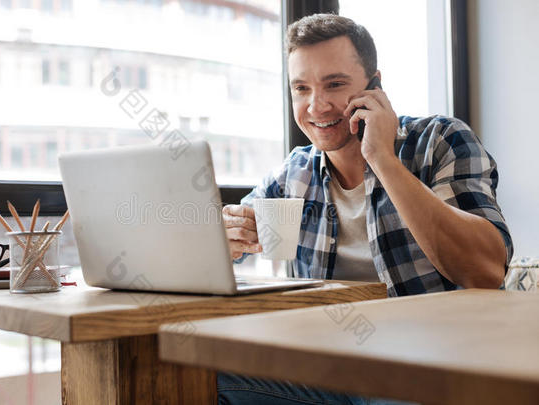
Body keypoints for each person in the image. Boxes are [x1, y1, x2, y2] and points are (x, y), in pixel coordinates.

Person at [218, 13, 513, 405]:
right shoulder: (294, 174)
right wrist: (227, 238)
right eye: (301, 88)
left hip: (435, 364)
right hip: (328, 370)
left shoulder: (441, 141)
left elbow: (485, 271)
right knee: (196, 374)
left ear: (375, 86)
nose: (316, 106)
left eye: (334, 85)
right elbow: (224, 248)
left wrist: (382, 158)